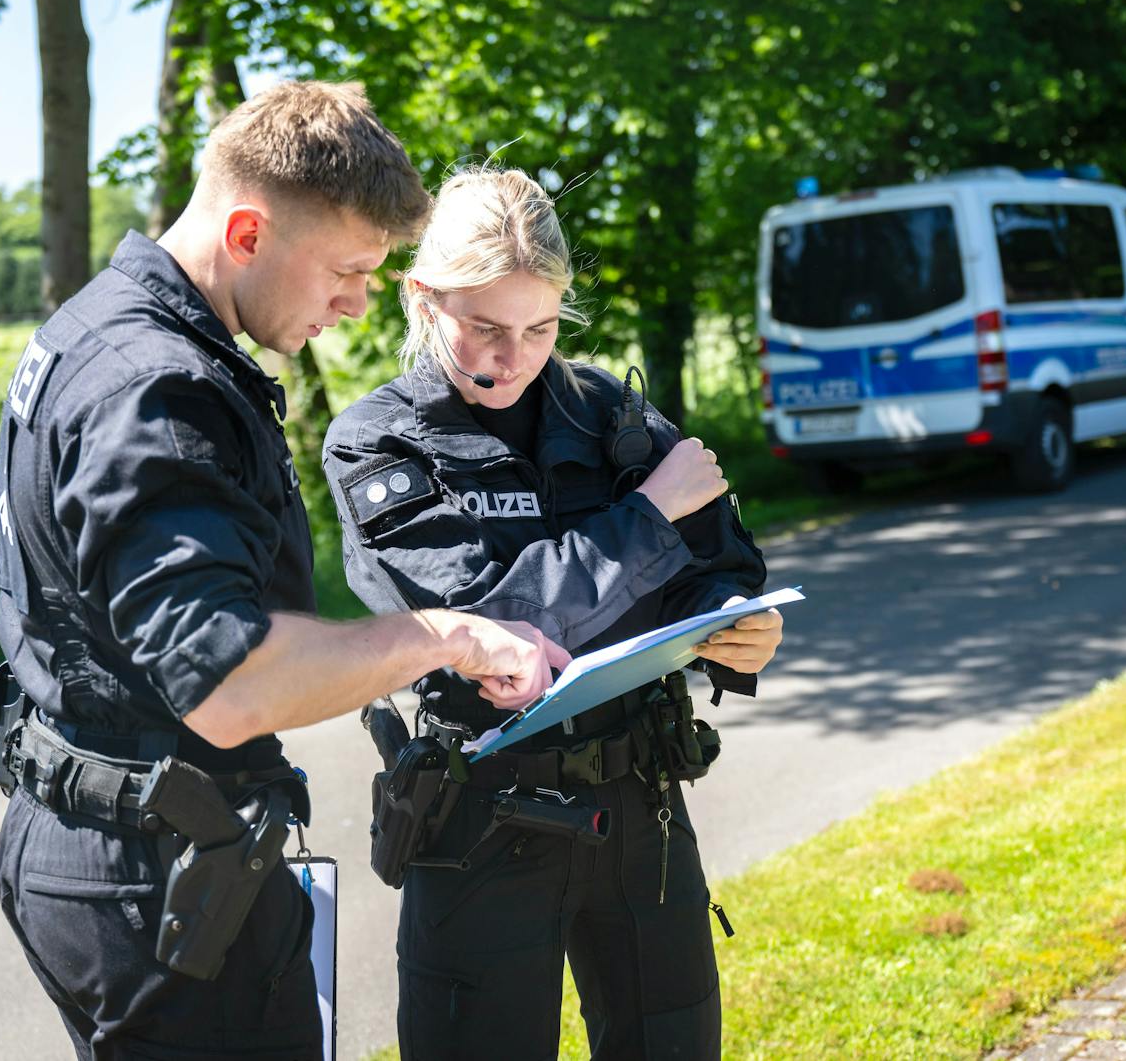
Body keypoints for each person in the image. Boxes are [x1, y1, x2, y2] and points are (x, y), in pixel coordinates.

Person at [0, 83, 567, 1061]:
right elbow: (227, 681)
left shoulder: (99, 326)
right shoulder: (155, 391)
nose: (354, 301)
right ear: (248, 231)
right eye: (344, 269)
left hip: (114, 838)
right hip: (154, 872)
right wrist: (450, 634)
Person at [322, 165, 786, 1060]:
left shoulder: (609, 412)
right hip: (480, 815)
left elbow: (718, 562)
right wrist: (649, 514)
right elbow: (496, 624)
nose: (513, 356)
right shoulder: (378, 442)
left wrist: (737, 621)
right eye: (485, 327)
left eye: (539, 327)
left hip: (638, 800)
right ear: (422, 297)